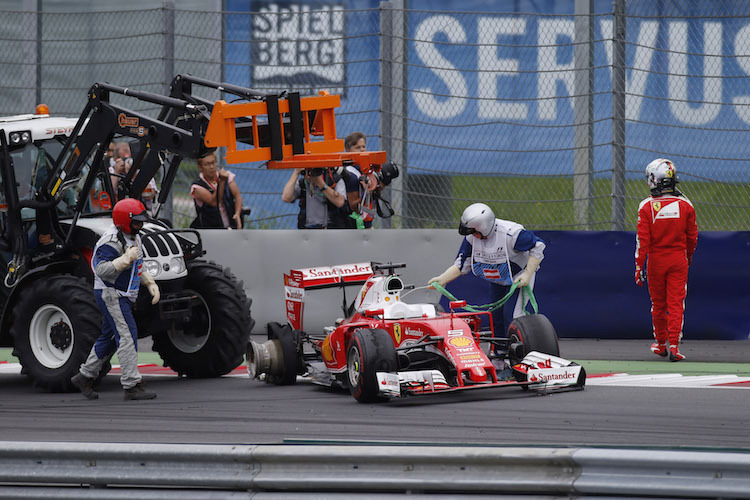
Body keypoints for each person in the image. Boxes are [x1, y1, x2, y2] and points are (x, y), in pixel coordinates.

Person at [70, 198, 159, 400]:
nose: (140, 225)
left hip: (122, 294)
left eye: (141, 221)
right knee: (127, 334)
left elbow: (136, 265)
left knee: (110, 338)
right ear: (123, 221)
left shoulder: (132, 236)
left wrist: (149, 282)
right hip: (111, 294)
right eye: (136, 221)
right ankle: (131, 385)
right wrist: (123, 259)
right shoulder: (111, 241)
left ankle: (84, 376)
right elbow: (101, 270)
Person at [428, 203, 545, 339]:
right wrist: (442, 279)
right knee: (494, 316)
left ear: (484, 227)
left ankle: (516, 352)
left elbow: (538, 246)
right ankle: (499, 353)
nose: (472, 236)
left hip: (517, 278)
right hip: (497, 279)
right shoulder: (472, 237)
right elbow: (462, 263)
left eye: (474, 232)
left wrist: (527, 274)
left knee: (512, 316)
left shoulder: (511, 234)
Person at [635, 158, 698, 362]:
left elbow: (642, 241)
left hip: (656, 261)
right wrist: (687, 257)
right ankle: (675, 346)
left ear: (655, 179)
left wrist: (638, 266)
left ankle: (661, 344)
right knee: (677, 303)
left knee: (658, 304)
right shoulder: (686, 204)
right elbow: (692, 237)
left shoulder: (646, 206)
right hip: (679, 259)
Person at [341, 132, 399, 228]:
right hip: (354, 226)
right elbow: (353, 206)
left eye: (364, 147)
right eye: (358, 147)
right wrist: (367, 192)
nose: (362, 150)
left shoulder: (366, 170)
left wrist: (381, 184)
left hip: (367, 223)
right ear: (348, 150)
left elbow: (373, 196)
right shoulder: (350, 174)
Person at [281, 166, 350, 229]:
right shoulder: (303, 183)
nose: (310, 175)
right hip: (308, 229)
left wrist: (320, 183)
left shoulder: (334, 180)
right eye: (307, 172)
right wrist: (296, 172)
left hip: (331, 228)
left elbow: (340, 202)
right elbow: (286, 197)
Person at [190, 151, 244, 229]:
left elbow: (237, 196)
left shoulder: (227, 176)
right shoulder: (197, 187)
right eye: (207, 164)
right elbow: (214, 202)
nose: (211, 167)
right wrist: (221, 181)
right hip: (210, 228)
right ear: (200, 167)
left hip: (231, 225)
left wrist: (237, 214)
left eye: (213, 163)